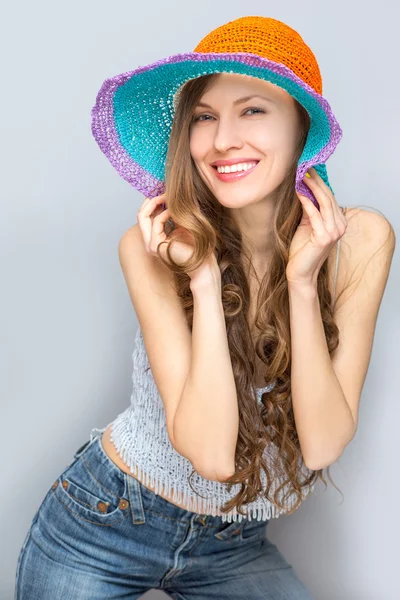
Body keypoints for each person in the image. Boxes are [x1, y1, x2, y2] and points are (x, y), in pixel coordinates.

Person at [14, 15, 395, 600]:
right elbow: (214, 454)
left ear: (302, 127)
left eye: (253, 110)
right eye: (204, 117)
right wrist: (203, 279)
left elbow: (321, 444)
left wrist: (300, 281)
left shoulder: (361, 240)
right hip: (106, 521)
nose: (221, 141)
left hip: (233, 543)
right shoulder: (152, 247)